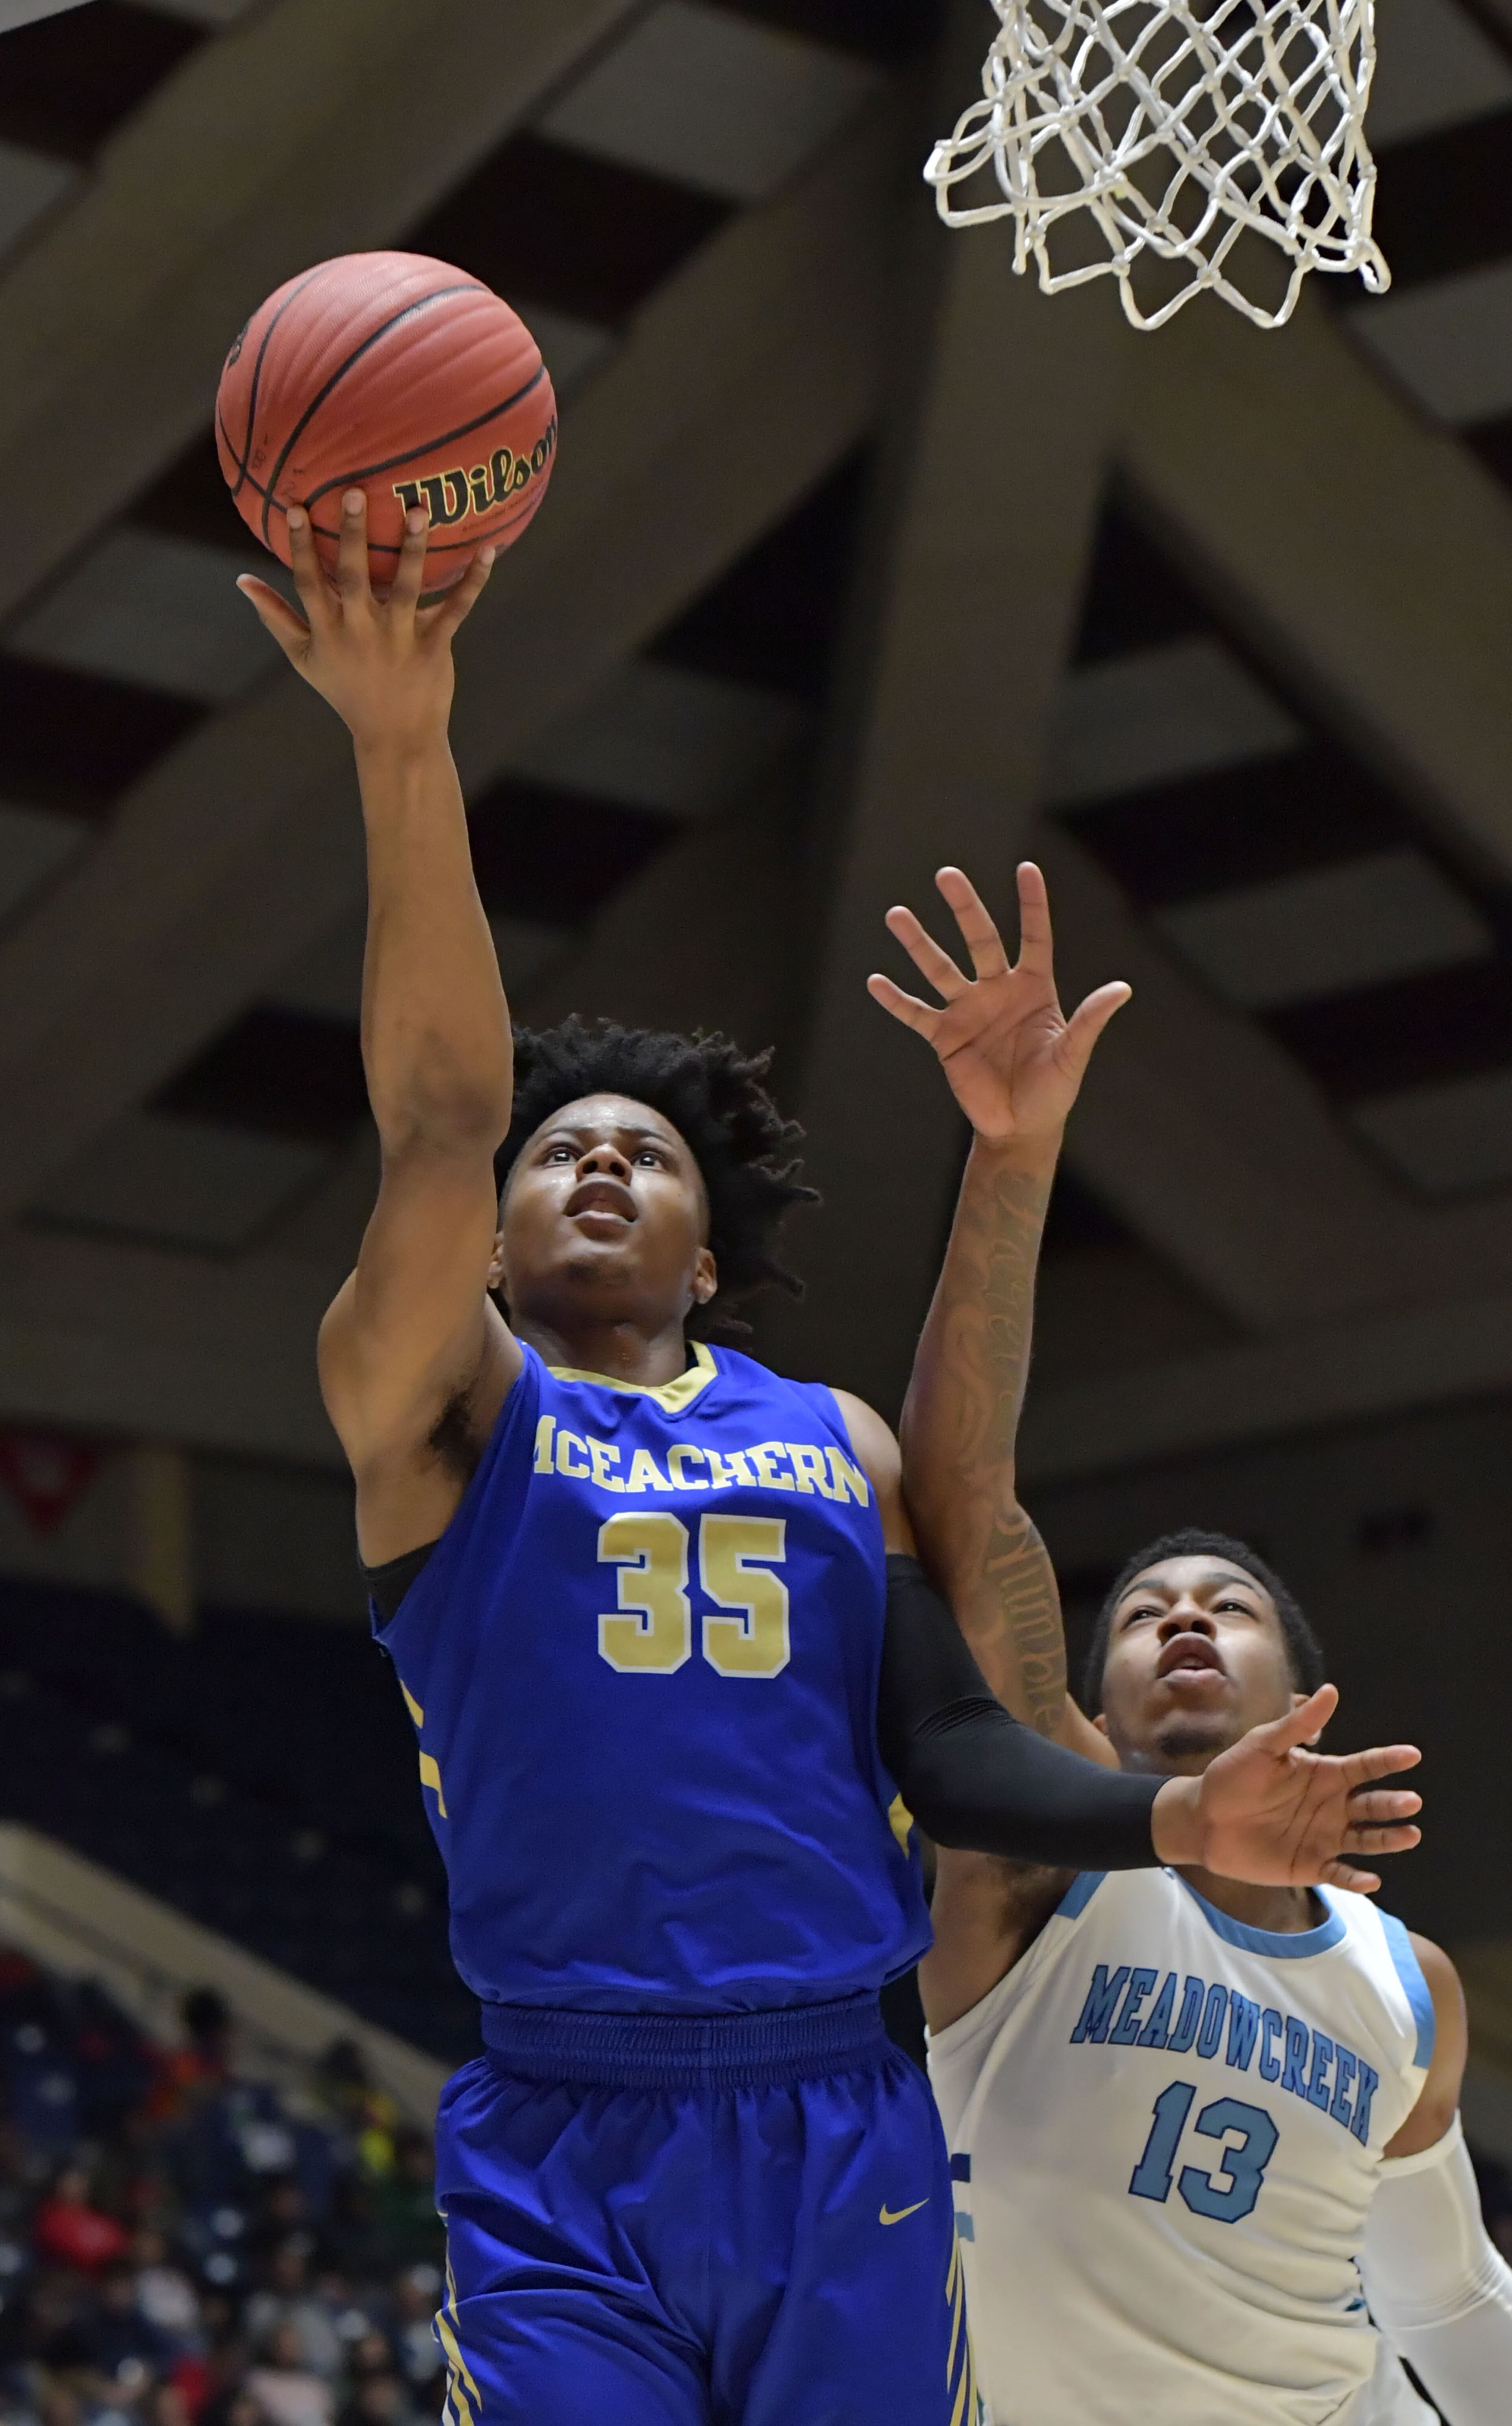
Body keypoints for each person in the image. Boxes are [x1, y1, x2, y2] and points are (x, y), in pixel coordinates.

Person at [235, 497, 1423, 2426]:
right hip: (567, 2124)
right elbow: (441, 1108)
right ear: (499, 1231)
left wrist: (1168, 1824)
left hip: (839, 2114)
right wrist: (403, 740)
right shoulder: (443, 1413)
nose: (596, 1159)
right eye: (560, 1153)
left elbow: (944, 1753)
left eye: (646, 1152)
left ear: (708, 1252)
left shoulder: (831, 1442)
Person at [880, 864, 1512, 2422]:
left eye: (1222, 1605)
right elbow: (963, 1497)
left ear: (1301, 1694)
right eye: (1140, 1615)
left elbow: (1446, 2293)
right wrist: (1012, 1155)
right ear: (1071, 1714)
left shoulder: (1409, 1983)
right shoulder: (1043, 1874)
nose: (1174, 1617)